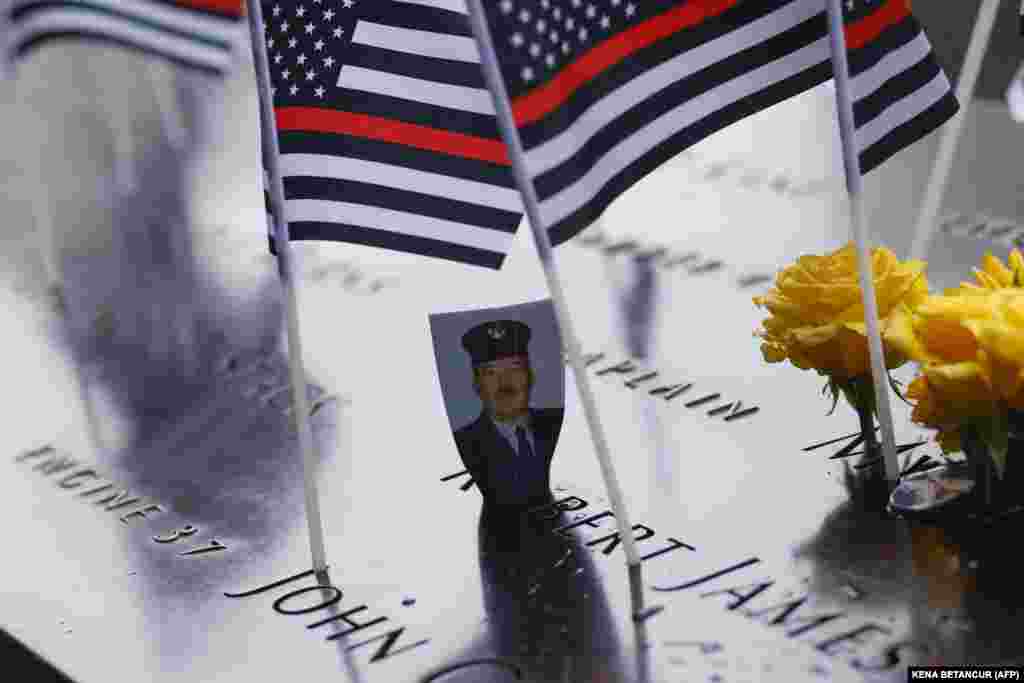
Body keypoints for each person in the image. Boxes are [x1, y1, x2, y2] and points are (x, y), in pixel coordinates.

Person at [453, 319, 563, 511]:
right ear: (476, 384)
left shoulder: (555, 422)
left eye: (515, 368)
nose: (505, 383)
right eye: (491, 373)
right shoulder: (466, 441)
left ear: (531, 376)